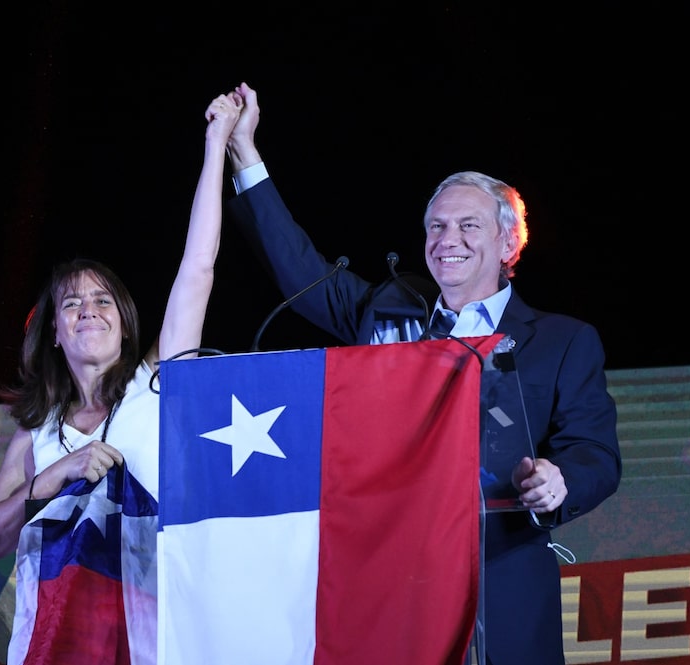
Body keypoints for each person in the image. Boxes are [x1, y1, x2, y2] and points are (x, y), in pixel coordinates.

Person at [222, 82, 621, 665]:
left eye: (468, 226)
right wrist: (244, 151)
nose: (446, 241)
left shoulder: (563, 341)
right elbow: (296, 266)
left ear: (510, 242)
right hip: (391, 579)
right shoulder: (384, 309)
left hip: (503, 573)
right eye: (436, 227)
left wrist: (559, 482)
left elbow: (596, 454)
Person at [0, 91, 243, 663]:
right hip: (49, 649)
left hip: (146, 646)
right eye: (71, 304)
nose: (88, 310)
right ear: (53, 332)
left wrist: (215, 144)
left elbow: (198, 268)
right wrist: (55, 476)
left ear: (124, 326)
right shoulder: (36, 432)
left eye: (103, 301)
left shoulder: (155, 387)